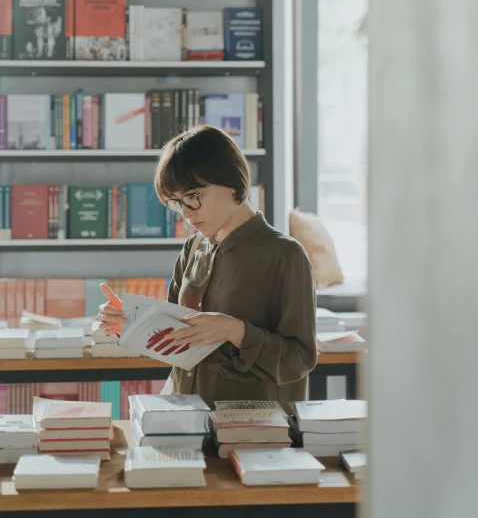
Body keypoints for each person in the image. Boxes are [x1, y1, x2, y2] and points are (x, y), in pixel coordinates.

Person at [97, 125, 317, 411]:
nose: (186, 211)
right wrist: (127, 324)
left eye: (192, 195)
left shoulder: (285, 256)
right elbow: (175, 338)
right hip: (182, 412)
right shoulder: (192, 249)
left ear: (233, 183)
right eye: (176, 203)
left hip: (251, 427)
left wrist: (236, 331)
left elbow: (299, 360)